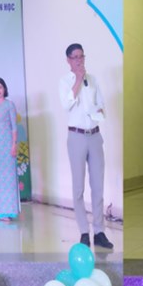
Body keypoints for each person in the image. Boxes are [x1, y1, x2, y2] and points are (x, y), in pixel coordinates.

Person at [58, 44, 113, 250]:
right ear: (68, 60)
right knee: (78, 187)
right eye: (75, 57)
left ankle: (99, 231)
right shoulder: (65, 82)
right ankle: (83, 231)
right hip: (76, 137)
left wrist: (97, 111)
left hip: (95, 136)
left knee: (98, 186)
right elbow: (67, 104)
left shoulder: (94, 80)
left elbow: (101, 106)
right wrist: (78, 80)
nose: (80, 60)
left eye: (82, 56)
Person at [0, 78, 20, 222]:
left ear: (4, 89)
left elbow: (14, 127)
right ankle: (0, 211)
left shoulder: (10, 105)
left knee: (9, 177)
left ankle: (10, 210)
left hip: (7, 146)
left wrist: (14, 144)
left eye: (0, 87)